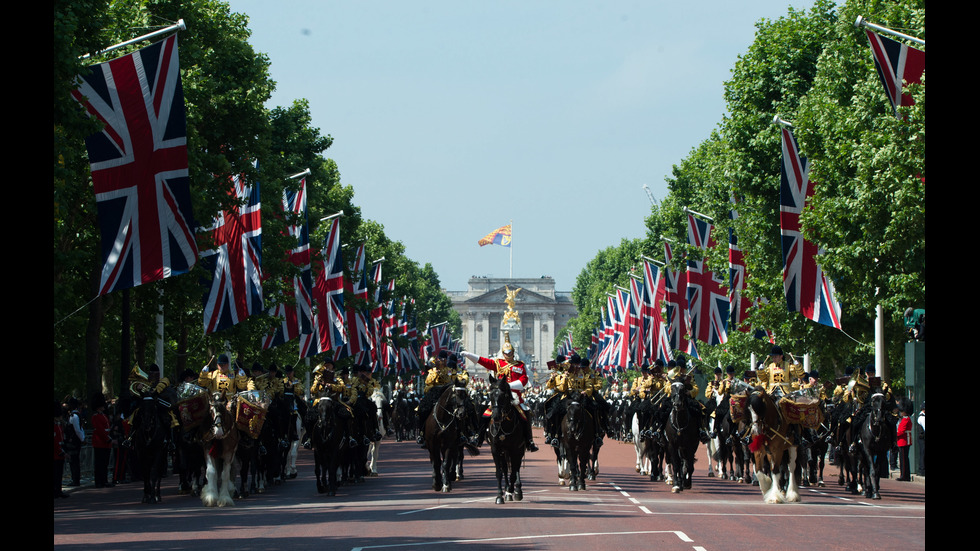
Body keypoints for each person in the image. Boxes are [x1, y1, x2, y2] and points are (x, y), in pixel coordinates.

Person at [461, 332, 539, 452]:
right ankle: (479, 437)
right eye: (506, 353)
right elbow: (484, 361)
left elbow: (523, 380)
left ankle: (529, 441)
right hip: (499, 396)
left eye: (510, 353)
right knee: (484, 414)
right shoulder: (498, 363)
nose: (508, 355)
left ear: (513, 352)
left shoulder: (520, 365)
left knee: (525, 415)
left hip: (514, 395)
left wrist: (508, 386)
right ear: (503, 353)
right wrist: (468, 355)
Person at [90, 393, 114, 488]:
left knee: (105, 463)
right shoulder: (95, 416)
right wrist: (108, 439)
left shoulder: (103, 415)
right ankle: (99, 481)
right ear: (98, 407)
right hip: (100, 442)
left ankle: (104, 480)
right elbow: (100, 430)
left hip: (105, 443)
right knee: (99, 463)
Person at [64, 397, 85, 487]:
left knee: (74, 461)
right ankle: (75, 479)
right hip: (75, 440)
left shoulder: (74, 416)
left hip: (74, 441)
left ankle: (75, 479)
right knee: (73, 461)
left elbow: (77, 429)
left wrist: (82, 439)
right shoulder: (75, 415)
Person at [54, 401, 69, 498]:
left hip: (59, 453)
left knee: (59, 474)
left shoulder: (58, 425)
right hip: (55, 453)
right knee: (55, 474)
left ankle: (58, 490)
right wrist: (61, 452)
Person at [896, 402, 913, 481]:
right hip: (904, 440)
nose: (901, 413)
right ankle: (905, 475)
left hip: (903, 440)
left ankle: (904, 476)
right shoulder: (905, 418)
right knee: (904, 459)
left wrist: (894, 435)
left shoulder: (906, 419)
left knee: (903, 459)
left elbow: (901, 431)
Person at [916, 401, 925, 476]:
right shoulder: (922, 417)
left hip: (922, 438)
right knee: (923, 453)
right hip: (922, 438)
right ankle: (922, 470)